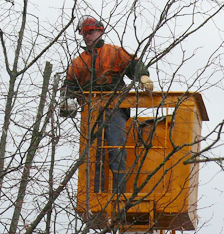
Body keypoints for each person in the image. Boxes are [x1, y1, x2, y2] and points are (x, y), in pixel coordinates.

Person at [61, 15, 154, 193]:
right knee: (93, 156)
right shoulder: (79, 62)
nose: (87, 36)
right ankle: (96, 194)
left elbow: (134, 64)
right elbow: (69, 84)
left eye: (89, 32)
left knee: (115, 149)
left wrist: (143, 75)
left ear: (99, 31)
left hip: (115, 108)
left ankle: (118, 193)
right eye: (84, 33)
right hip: (91, 112)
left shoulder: (114, 52)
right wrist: (67, 100)